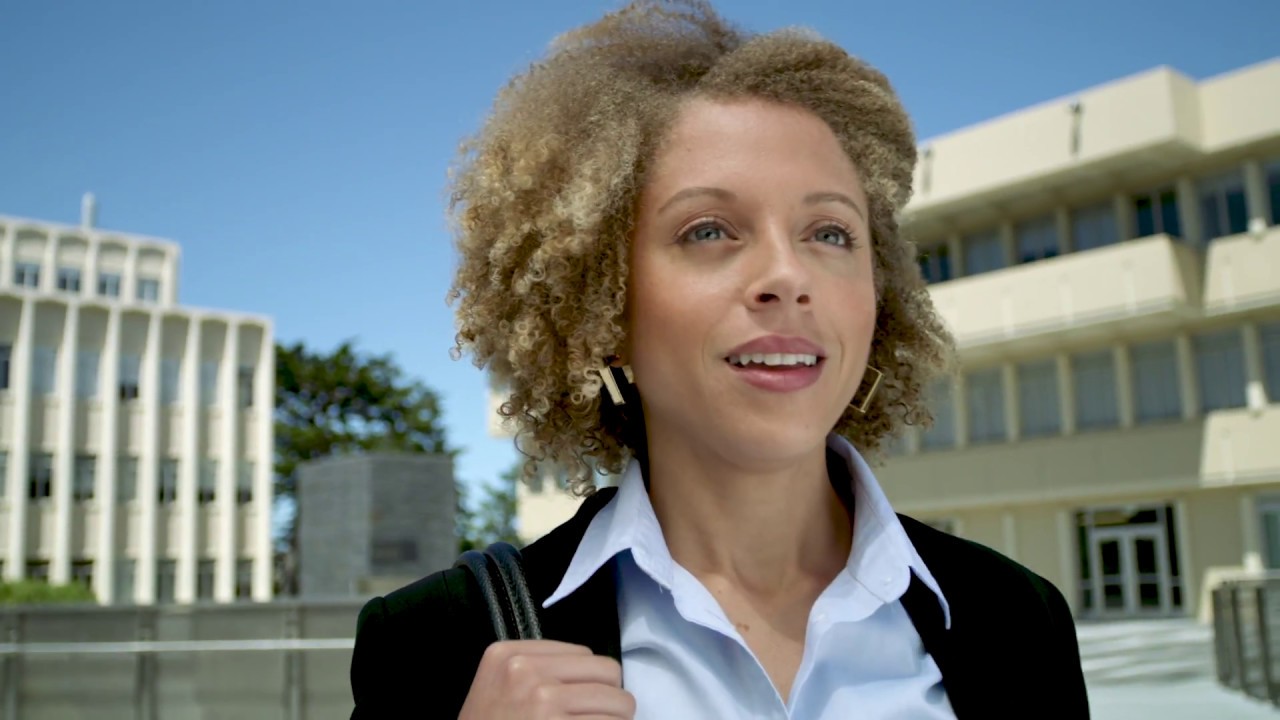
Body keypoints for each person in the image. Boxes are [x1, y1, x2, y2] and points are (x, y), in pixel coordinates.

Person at [350, 1, 1089, 718]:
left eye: (829, 233)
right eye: (708, 231)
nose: (788, 277)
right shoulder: (438, 644)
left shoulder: (1021, 621)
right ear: (600, 302)